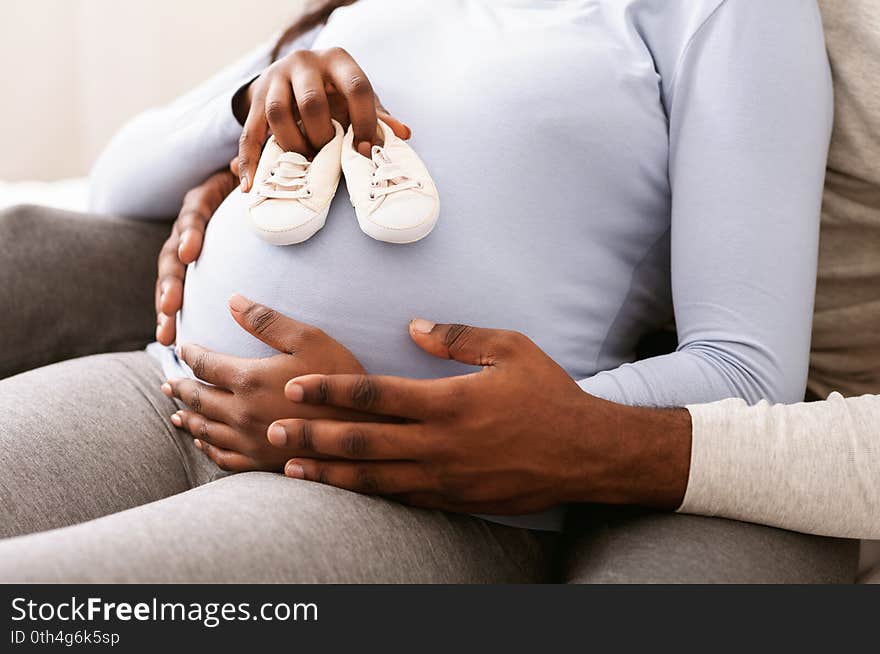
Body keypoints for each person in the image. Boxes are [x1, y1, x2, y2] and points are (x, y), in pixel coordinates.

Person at [0, 0, 855, 583]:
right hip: (170, 392)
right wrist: (257, 94)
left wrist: (415, 432)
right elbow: (117, 182)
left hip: (408, 490)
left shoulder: (728, 13)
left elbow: (746, 369)